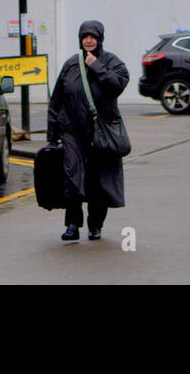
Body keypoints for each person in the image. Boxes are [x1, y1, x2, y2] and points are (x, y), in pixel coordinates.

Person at [46, 19, 128, 241]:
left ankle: (95, 226)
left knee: (98, 181)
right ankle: (72, 224)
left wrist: (97, 67)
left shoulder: (112, 62)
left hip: (101, 133)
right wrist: (52, 134)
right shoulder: (71, 65)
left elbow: (118, 85)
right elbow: (57, 101)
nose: (89, 40)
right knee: (72, 176)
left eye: (93, 36)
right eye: (85, 37)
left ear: (100, 38)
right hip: (73, 132)